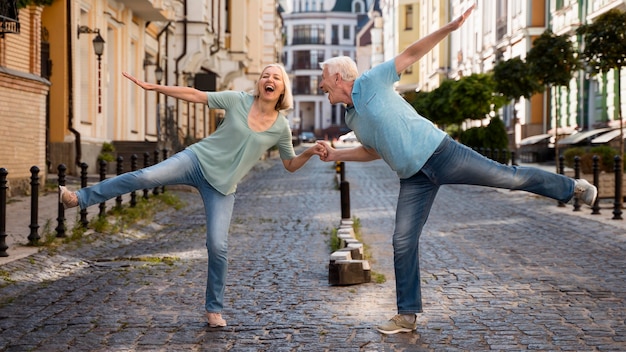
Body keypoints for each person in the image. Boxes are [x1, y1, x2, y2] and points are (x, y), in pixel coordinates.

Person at [316, 4, 597, 335]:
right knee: (402, 240)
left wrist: (449, 29)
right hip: (413, 179)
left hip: (442, 153)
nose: (321, 86)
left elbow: (412, 52)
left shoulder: (372, 81)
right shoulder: (351, 117)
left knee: (509, 177)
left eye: (323, 80)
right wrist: (337, 154)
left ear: (338, 77)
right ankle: (406, 316)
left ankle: (572, 187)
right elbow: (372, 150)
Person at [59, 64, 325, 327]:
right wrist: (154, 87)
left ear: (282, 89)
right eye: (265, 75)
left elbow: (289, 165)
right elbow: (196, 94)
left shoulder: (281, 128)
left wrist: (310, 152)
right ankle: (79, 198)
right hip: (196, 160)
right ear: (259, 83)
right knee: (144, 177)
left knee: (218, 246)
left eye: (275, 77)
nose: (269, 79)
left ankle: (214, 309)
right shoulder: (237, 100)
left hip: (222, 188)